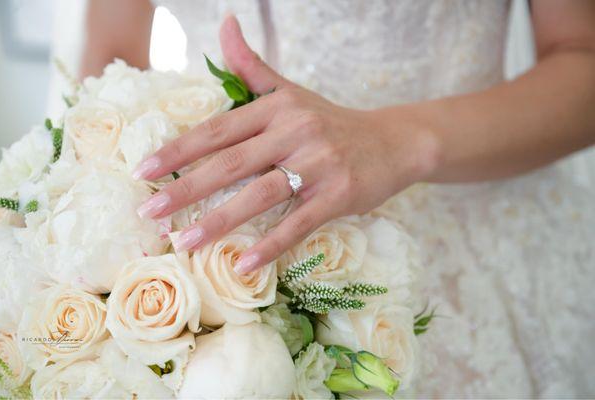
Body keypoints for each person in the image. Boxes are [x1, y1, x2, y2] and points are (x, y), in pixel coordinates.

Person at [79, 0, 595, 397]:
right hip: (205, 256)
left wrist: (399, 140)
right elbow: (111, 54)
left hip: (469, 244)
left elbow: (583, 56)